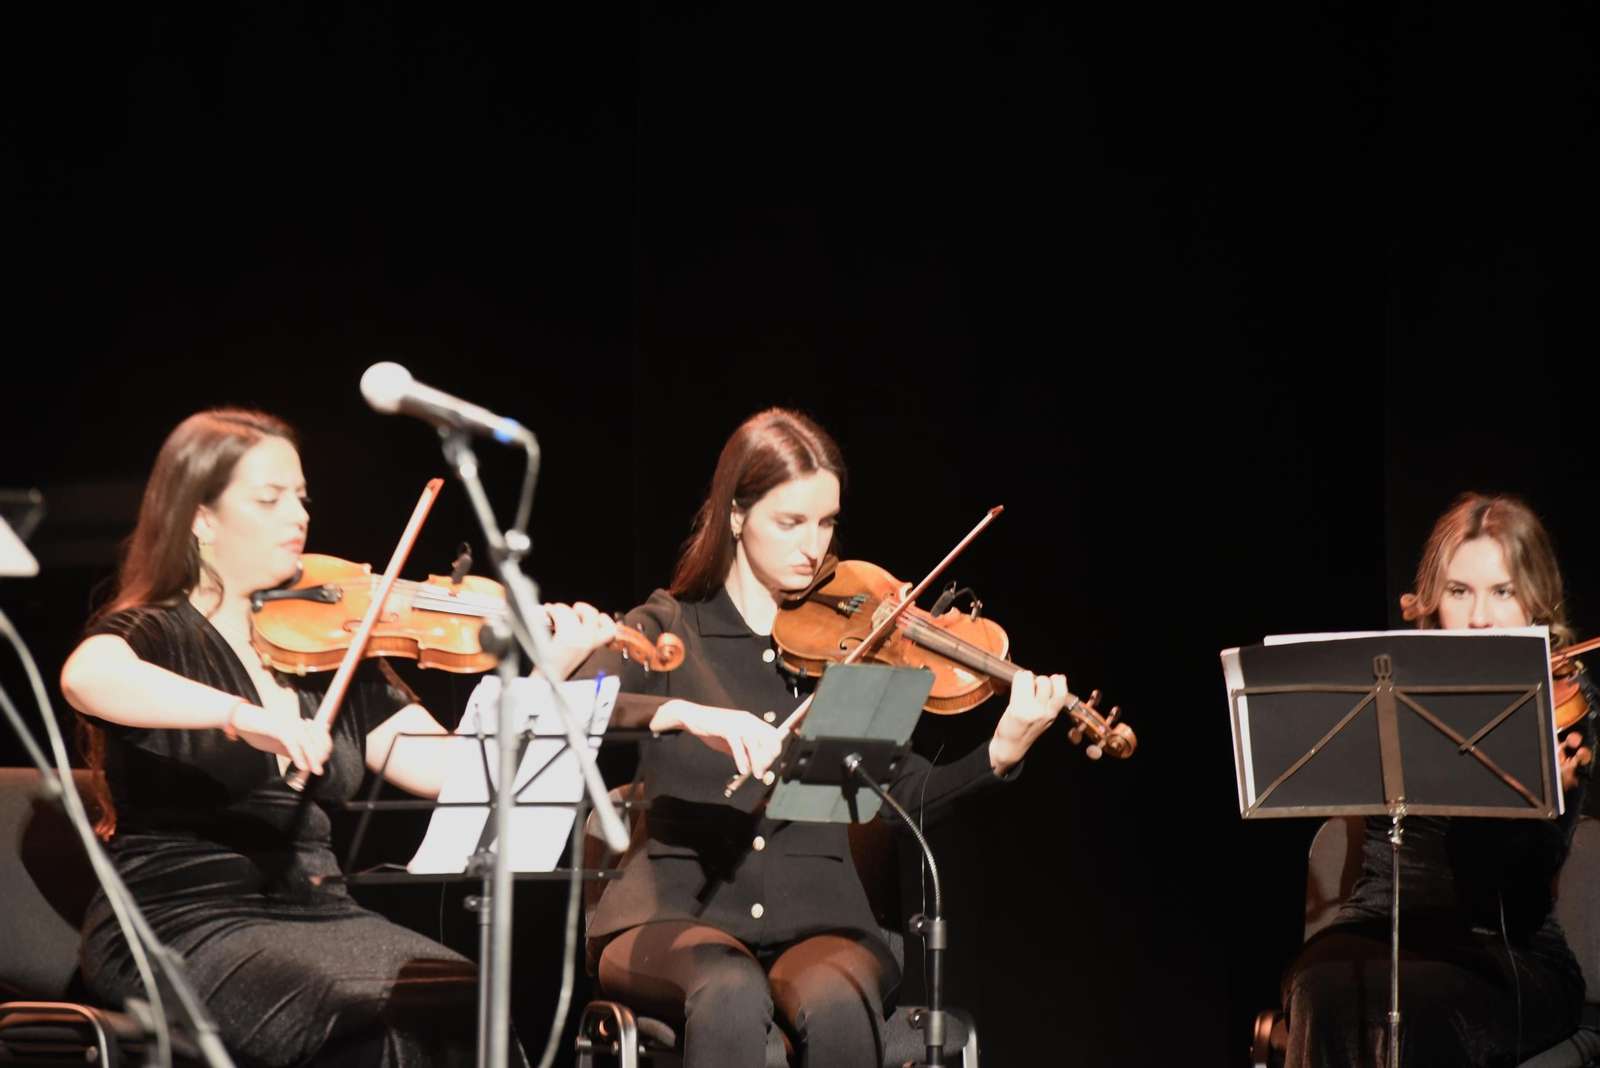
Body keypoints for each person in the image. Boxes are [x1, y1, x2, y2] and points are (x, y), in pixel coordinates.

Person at [59, 408, 611, 1068]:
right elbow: (86, 677)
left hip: (320, 913)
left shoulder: (327, 644)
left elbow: (452, 771)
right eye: (269, 499)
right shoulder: (157, 634)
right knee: (366, 1026)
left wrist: (555, 674)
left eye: (301, 497)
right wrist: (245, 717)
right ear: (201, 519)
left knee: (467, 1009)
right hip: (181, 920)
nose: (298, 516)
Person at [577, 408, 1069, 1068]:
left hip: (817, 919)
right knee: (727, 987)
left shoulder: (849, 651)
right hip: (670, 915)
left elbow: (900, 798)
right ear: (736, 516)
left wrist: (999, 753)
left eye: (827, 522)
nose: (814, 545)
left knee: (838, 1003)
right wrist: (687, 715)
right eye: (790, 522)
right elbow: (578, 701)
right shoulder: (670, 627)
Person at [1281, 492, 1599, 1068]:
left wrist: (1546, 794)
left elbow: (1534, 874)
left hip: (1505, 949)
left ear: (1534, 599)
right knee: (1321, 987)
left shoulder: (1564, 702)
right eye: (1459, 591)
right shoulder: (1389, 689)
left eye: (1503, 591)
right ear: (1433, 599)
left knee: (1422, 1011)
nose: (1480, 617)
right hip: (1382, 922)